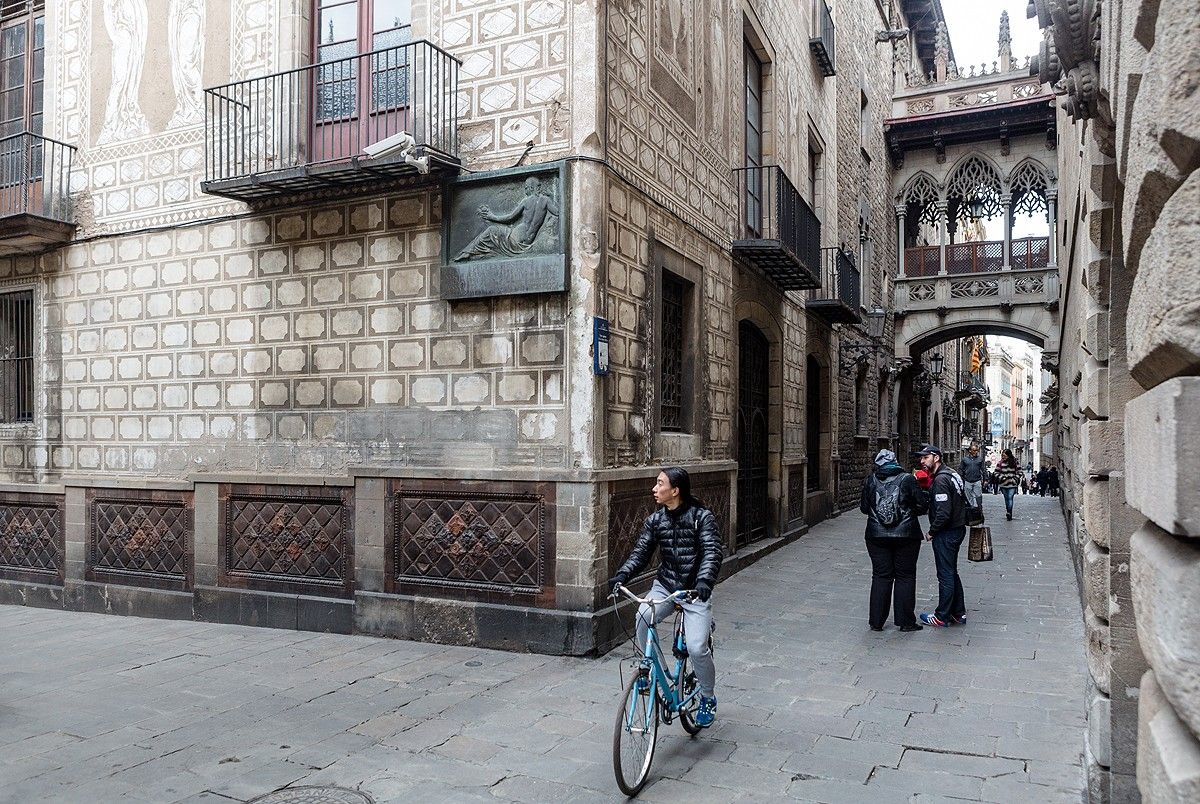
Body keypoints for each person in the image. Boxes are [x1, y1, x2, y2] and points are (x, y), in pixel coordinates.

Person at [609, 467, 723, 727]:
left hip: (694, 591)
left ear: (675, 490)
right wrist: (621, 576)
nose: (654, 488)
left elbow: (712, 552)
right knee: (642, 617)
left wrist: (704, 581)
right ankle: (651, 669)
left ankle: (707, 697)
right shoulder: (655, 520)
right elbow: (640, 553)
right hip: (666, 586)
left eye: (660, 483)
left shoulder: (701, 517)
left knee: (696, 648)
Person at [860, 449, 929, 632]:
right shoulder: (908, 479)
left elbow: (864, 508)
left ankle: (876, 622)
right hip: (906, 535)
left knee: (881, 576)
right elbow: (922, 506)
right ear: (895, 462)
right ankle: (906, 622)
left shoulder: (870, 480)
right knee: (905, 577)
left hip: (876, 535)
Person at [916, 445, 968, 628]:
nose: (922, 461)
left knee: (945, 574)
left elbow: (943, 513)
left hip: (947, 532)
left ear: (936, 458)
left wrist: (932, 531)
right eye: (921, 458)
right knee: (951, 571)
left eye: (925, 457)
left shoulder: (940, 481)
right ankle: (958, 613)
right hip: (957, 528)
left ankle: (942, 616)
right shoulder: (952, 474)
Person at [995, 449, 1023, 521]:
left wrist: (1015, 479)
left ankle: (1009, 512)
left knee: (1010, 497)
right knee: (1006, 498)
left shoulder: (1015, 462)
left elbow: (1020, 472)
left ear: (1008, 455)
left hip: (1012, 484)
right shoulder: (1000, 463)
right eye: (1002, 455)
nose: (1003, 457)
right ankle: (1008, 511)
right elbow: (996, 473)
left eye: (1004, 455)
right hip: (1003, 484)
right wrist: (1001, 478)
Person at [958, 444, 986, 513]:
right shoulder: (965, 460)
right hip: (967, 480)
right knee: (968, 497)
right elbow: (961, 469)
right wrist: (961, 479)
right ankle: (971, 509)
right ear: (970, 451)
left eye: (976, 450)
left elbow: (983, 469)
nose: (975, 452)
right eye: (974, 450)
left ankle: (979, 508)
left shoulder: (980, 459)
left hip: (977, 480)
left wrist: (986, 480)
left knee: (978, 496)